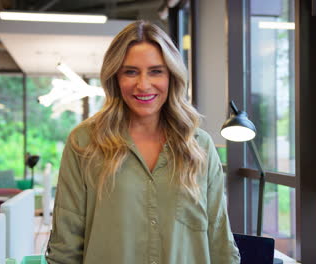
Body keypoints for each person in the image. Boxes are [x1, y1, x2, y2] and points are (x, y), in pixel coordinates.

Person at [46, 20, 240, 264]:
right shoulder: (84, 143)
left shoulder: (199, 145)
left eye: (156, 71)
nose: (144, 84)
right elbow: (66, 244)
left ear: (172, 76)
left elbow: (219, 237)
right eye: (131, 72)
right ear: (115, 77)